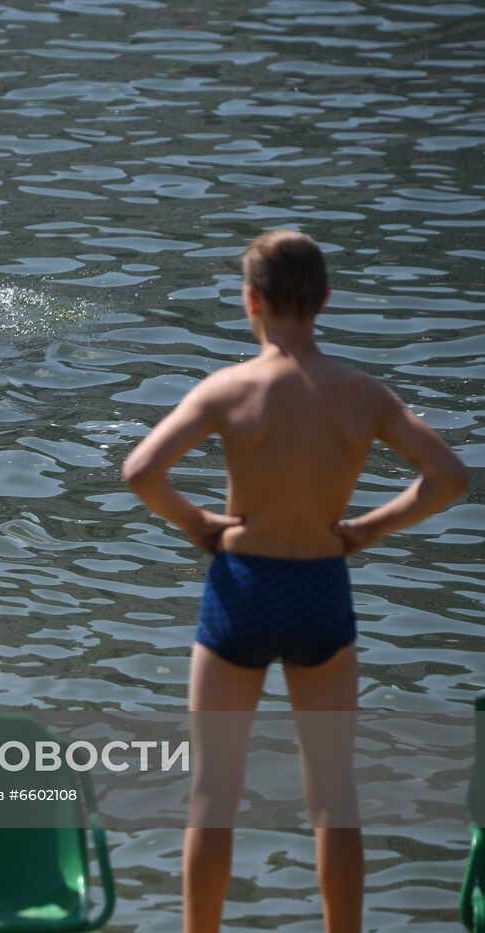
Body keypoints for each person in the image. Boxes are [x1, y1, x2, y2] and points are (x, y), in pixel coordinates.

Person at [121, 230, 467, 933]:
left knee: (211, 794)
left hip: (241, 587)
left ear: (251, 300)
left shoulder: (229, 388)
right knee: (334, 797)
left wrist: (199, 525)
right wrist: (370, 527)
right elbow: (449, 477)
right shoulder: (362, 394)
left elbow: (140, 471)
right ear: (326, 301)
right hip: (319, 590)